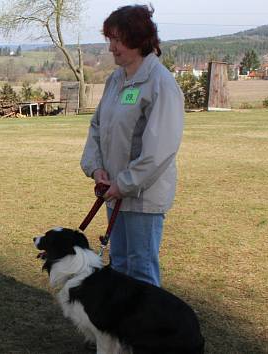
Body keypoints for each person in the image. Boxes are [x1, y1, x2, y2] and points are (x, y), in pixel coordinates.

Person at [80, 5, 184, 287]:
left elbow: (159, 150)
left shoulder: (160, 84)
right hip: (115, 192)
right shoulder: (115, 80)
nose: (112, 48)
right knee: (121, 267)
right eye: (109, 40)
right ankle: (123, 332)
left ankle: (150, 332)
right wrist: (97, 168)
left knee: (141, 271)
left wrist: (124, 183)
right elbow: (98, 127)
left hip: (142, 197)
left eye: (117, 40)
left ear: (138, 39)